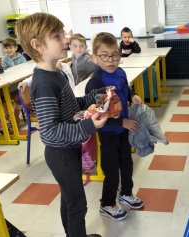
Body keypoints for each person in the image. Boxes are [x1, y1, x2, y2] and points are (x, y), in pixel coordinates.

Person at [15, 12, 107, 237]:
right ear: (38, 45)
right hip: (61, 154)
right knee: (77, 205)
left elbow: (70, 104)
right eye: (57, 36)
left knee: (69, 199)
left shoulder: (55, 73)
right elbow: (50, 131)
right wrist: (88, 127)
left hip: (68, 149)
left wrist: (95, 96)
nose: (65, 39)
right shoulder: (44, 83)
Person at [85, 32, 143, 221]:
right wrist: (121, 122)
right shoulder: (95, 82)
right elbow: (97, 114)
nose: (111, 60)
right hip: (108, 132)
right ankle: (107, 204)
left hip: (123, 131)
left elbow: (126, 89)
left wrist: (131, 96)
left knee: (127, 164)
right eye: (104, 55)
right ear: (94, 57)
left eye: (115, 54)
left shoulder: (121, 72)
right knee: (111, 170)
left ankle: (126, 193)